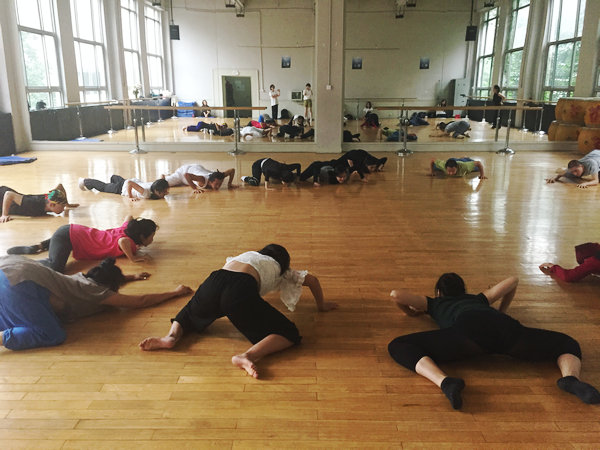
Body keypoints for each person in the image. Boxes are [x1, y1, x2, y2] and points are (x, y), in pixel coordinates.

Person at [388, 273, 600, 410]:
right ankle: (571, 379)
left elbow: (396, 294)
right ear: (464, 289)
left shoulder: (435, 302)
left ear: (438, 292)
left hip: (467, 335)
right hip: (507, 330)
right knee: (566, 343)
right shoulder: (479, 298)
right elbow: (513, 281)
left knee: (399, 345)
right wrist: (501, 310)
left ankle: (445, 381)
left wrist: (412, 313)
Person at [139, 244, 338, 378]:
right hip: (240, 289)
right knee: (289, 332)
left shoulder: (246, 256)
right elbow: (312, 280)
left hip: (215, 279)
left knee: (190, 311)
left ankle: (171, 337)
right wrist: (321, 305)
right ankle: (248, 356)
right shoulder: (281, 268)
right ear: (283, 261)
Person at [0, 256, 192, 351]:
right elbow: (139, 301)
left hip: (9, 268)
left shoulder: (80, 279)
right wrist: (175, 293)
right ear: (110, 286)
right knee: (53, 334)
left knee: (12, 316)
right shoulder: (95, 291)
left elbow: (105, 278)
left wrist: (131, 276)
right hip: (19, 283)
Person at [6, 216, 157, 273]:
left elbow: (129, 217)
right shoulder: (129, 242)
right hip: (69, 237)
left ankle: (38, 247)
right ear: (141, 236)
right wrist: (133, 258)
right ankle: (22, 263)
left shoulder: (126, 229)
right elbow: (122, 241)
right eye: (151, 236)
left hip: (71, 232)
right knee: (56, 268)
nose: (153, 239)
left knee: (59, 250)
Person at [1, 184, 78, 223]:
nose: (63, 208)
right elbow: (8, 194)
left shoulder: (50, 197)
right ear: (52, 205)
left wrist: (67, 204)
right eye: (62, 206)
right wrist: (4, 215)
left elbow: (60, 186)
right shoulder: (32, 203)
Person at [79, 175, 169, 201]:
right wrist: (130, 197)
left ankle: (113, 178)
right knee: (104, 187)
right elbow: (130, 183)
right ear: (157, 190)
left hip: (129, 182)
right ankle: (85, 181)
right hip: (123, 187)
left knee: (118, 180)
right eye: (164, 192)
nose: (166, 194)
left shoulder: (154, 184)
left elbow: (161, 178)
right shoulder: (146, 193)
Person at [163, 164, 236, 193]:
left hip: (197, 168)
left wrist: (229, 184)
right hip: (184, 172)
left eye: (220, 184)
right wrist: (194, 188)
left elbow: (232, 170)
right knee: (165, 183)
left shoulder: (219, 176)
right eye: (216, 184)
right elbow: (186, 175)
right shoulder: (202, 179)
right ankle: (165, 176)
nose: (218, 186)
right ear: (210, 181)